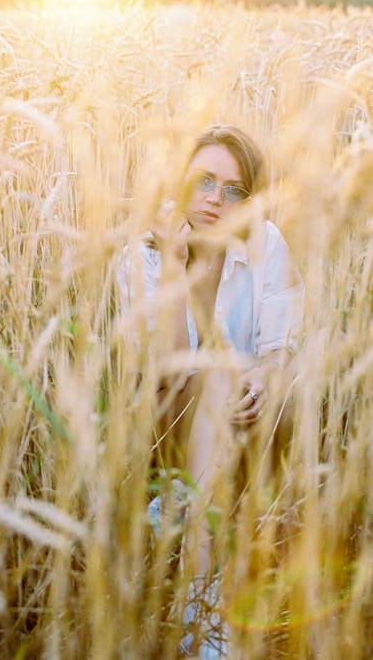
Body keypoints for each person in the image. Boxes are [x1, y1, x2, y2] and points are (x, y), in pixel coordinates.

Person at [117, 123, 304, 657]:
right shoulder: (147, 255)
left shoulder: (266, 245)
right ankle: (203, 603)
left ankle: (190, 517)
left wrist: (266, 376)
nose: (216, 200)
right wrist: (176, 267)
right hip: (164, 430)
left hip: (249, 427)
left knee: (269, 382)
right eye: (204, 181)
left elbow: (280, 345)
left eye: (234, 190)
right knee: (214, 370)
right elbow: (166, 372)